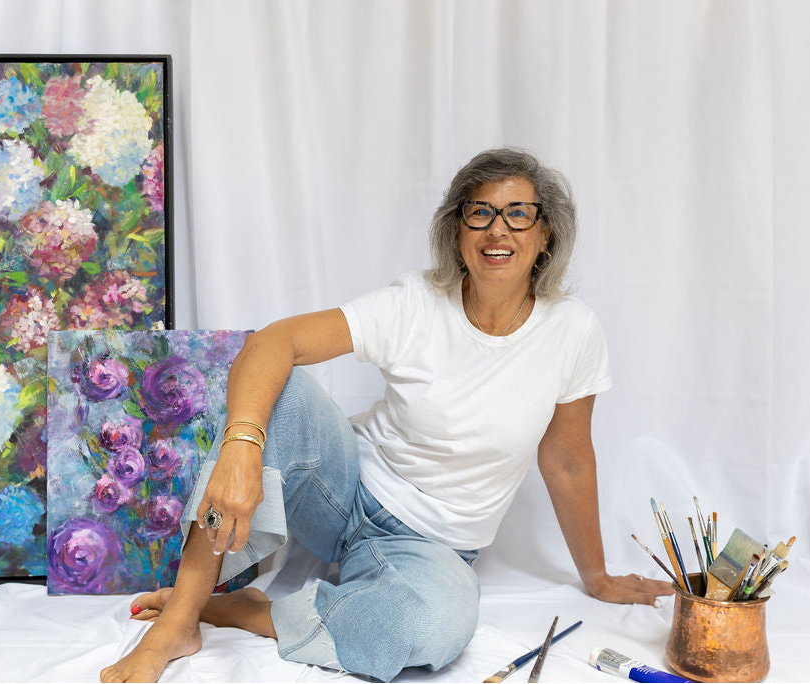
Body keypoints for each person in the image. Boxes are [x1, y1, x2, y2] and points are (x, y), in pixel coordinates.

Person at [100, 147, 674, 683]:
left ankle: (250, 612)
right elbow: (274, 342)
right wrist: (242, 449)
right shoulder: (415, 303)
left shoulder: (572, 331)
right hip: (342, 493)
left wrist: (596, 578)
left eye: (518, 214)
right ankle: (182, 616)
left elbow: (569, 458)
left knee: (433, 629)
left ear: (545, 233)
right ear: (457, 231)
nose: (498, 230)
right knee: (283, 387)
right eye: (480, 213)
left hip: (433, 548)